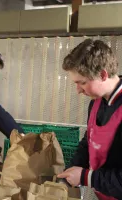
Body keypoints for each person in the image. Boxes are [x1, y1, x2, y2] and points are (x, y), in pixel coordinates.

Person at [57, 39, 122, 200]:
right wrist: (72, 170)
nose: (78, 90)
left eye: (82, 83)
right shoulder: (96, 102)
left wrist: (87, 177)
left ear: (103, 74)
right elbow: (89, 141)